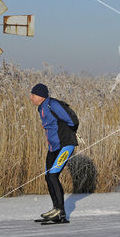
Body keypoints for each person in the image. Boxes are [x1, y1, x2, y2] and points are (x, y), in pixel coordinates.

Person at [29, 83, 78, 223]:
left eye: (33, 95)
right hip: (53, 148)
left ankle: (61, 213)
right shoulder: (41, 107)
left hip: (65, 145)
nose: (30, 97)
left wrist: (68, 134)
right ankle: (56, 209)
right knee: (48, 177)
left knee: (53, 176)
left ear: (41, 96)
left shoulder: (53, 104)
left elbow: (72, 121)